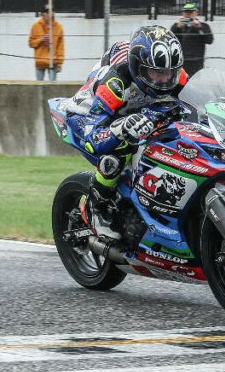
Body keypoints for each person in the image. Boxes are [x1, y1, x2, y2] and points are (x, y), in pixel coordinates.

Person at [65, 26, 187, 238]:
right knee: (122, 146)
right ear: (138, 67)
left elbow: (194, 103)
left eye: (169, 73)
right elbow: (94, 137)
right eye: (157, 73)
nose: (165, 80)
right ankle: (97, 208)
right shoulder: (115, 83)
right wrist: (121, 127)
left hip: (137, 109)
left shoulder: (176, 76)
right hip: (89, 116)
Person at [169, 3, 213, 76]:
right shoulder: (176, 26)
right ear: (183, 13)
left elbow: (209, 40)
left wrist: (199, 28)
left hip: (196, 62)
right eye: (186, 12)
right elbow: (169, 40)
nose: (188, 15)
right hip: (180, 62)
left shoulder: (204, 26)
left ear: (196, 13)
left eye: (191, 12)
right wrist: (177, 28)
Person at [28, 6, 64, 81]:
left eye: (50, 12)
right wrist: (40, 40)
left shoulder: (58, 27)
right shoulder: (36, 26)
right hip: (40, 61)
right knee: (39, 86)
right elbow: (31, 43)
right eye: (46, 12)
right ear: (42, 14)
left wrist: (60, 63)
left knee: (52, 86)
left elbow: (60, 47)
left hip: (53, 61)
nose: (48, 14)